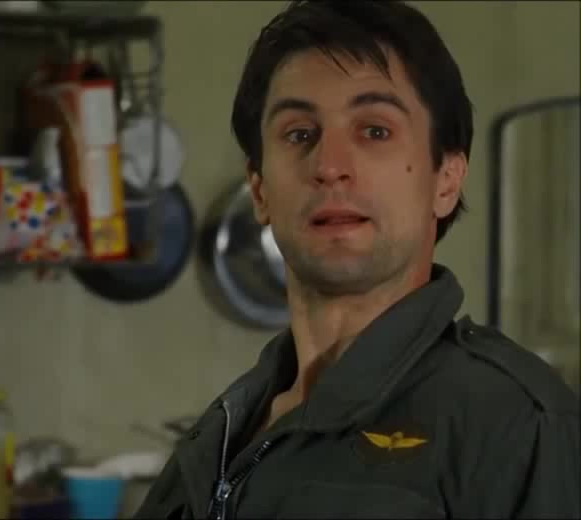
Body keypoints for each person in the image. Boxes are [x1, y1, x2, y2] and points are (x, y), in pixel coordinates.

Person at [135, 1, 580, 518]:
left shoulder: (517, 424)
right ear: (259, 190)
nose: (329, 166)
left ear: (446, 180)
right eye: (299, 133)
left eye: (374, 131)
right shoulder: (220, 431)